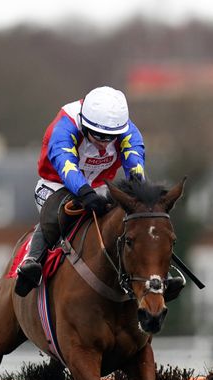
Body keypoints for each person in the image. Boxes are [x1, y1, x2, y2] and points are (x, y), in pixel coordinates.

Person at [14, 86, 147, 297]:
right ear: (84, 125)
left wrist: (141, 195)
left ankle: (154, 275)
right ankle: (31, 261)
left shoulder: (126, 131)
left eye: (109, 137)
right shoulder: (64, 126)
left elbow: (135, 163)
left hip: (99, 186)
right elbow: (66, 165)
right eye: (98, 136)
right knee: (59, 212)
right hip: (57, 184)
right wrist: (85, 193)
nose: (104, 143)